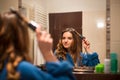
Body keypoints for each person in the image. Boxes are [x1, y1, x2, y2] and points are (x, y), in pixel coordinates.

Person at [0, 10, 75, 80]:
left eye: (69, 38)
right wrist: (47, 53)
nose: (66, 41)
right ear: (22, 37)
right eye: (63, 38)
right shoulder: (23, 69)